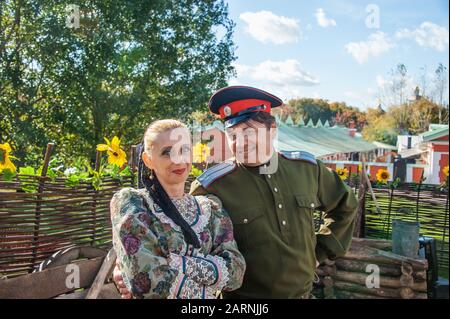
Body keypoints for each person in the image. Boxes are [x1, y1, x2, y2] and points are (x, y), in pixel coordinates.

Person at [115, 86, 358, 299]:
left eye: (249, 131)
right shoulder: (212, 186)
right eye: (233, 135)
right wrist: (124, 265)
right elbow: (173, 228)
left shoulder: (306, 169)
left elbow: (345, 206)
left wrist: (320, 253)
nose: (241, 142)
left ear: (272, 130)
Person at [110, 119, 245, 299]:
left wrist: (175, 262)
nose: (178, 159)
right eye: (167, 152)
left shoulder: (210, 207)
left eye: (185, 150)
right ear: (148, 160)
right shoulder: (133, 202)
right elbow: (148, 283)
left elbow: (236, 273)